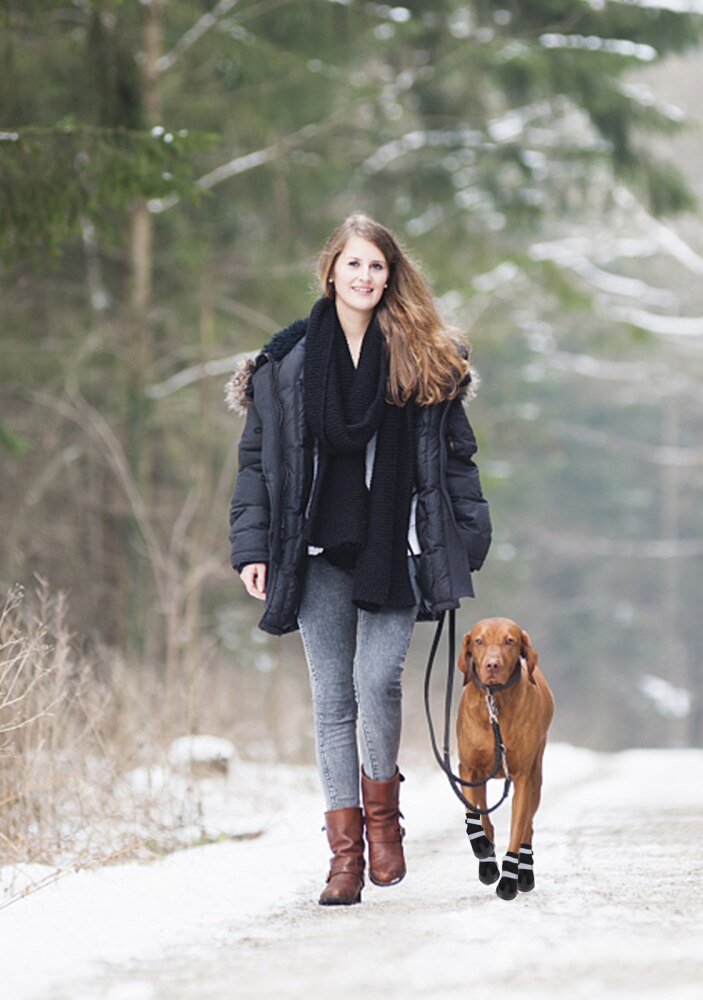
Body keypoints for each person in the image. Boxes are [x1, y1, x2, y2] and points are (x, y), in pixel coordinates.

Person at [226, 213, 491, 906]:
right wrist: (252, 549)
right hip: (314, 550)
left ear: (390, 274)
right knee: (333, 700)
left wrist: (466, 536)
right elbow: (257, 464)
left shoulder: (422, 357)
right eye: (354, 264)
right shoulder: (284, 365)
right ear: (331, 271)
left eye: (377, 265)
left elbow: (455, 460)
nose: (365, 276)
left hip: (393, 549)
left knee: (377, 683)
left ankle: (382, 822)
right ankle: (344, 857)